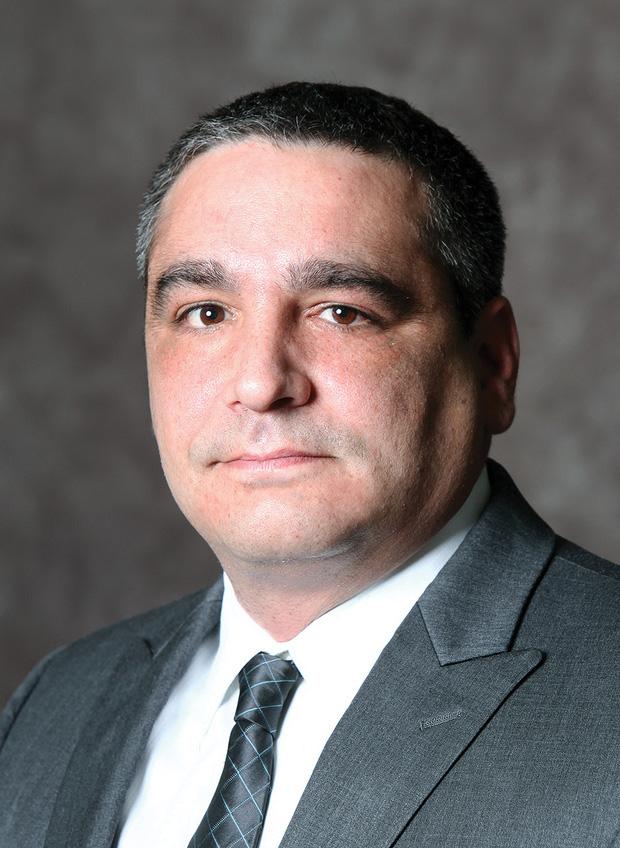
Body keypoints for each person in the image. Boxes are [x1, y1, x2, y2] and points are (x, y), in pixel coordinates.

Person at [1, 82, 618, 848]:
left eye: (342, 311)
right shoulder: (55, 706)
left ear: (491, 364)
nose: (262, 383)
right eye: (206, 313)